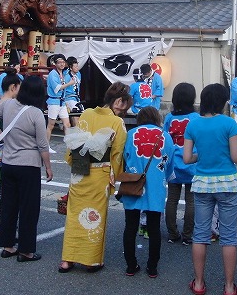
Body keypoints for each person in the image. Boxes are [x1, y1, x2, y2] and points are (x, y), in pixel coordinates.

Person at [59, 82, 132, 273]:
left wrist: (72, 161)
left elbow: (74, 144)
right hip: (100, 173)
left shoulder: (87, 113)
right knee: (95, 216)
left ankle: (67, 259)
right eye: (124, 104)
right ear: (119, 102)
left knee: (74, 215)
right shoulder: (117, 123)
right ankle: (91, 260)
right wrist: (114, 175)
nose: (124, 108)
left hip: (80, 170)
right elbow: (117, 154)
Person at [0, 76, 53, 262]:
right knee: (29, 208)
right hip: (29, 165)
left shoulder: (8, 105)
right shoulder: (36, 113)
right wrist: (48, 166)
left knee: (9, 205)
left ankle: (8, 246)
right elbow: (42, 144)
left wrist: (2, 136)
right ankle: (26, 250)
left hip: (8, 163)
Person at [183, 83, 237, 295]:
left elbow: (188, 158)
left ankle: (198, 283)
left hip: (203, 184)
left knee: (200, 234)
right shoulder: (230, 124)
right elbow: (236, 157)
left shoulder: (193, 125)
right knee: (228, 236)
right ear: (223, 101)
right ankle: (228, 286)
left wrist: (203, 156)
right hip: (228, 183)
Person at [120, 107, 175, 278]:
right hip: (156, 185)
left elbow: (124, 156)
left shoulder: (131, 134)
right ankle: (152, 267)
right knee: (154, 227)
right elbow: (169, 162)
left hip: (133, 182)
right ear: (157, 118)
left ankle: (131, 265)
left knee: (130, 225)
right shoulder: (165, 135)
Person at [163, 82, 199, 245]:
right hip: (192, 161)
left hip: (173, 163)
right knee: (191, 200)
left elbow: (165, 139)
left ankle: (172, 233)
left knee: (172, 199)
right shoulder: (196, 118)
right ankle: (188, 234)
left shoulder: (169, 118)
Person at [0, 71, 22, 229]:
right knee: (6, 190)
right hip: (7, 150)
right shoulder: (8, 105)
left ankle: (1, 222)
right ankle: (4, 225)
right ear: (13, 87)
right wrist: (3, 136)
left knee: (2, 188)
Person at [46, 54, 76, 153]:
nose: (62, 64)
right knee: (51, 125)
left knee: (67, 123)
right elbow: (57, 88)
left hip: (61, 102)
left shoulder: (62, 73)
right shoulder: (53, 74)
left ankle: (69, 145)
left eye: (63, 62)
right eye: (59, 62)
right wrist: (69, 84)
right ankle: (46, 146)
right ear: (55, 63)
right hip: (54, 101)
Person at [64, 57, 83, 125]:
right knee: (75, 115)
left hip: (77, 98)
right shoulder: (66, 75)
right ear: (70, 67)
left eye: (77, 66)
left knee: (80, 115)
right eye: (75, 66)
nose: (77, 68)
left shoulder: (78, 74)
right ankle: (76, 132)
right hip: (68, 98)